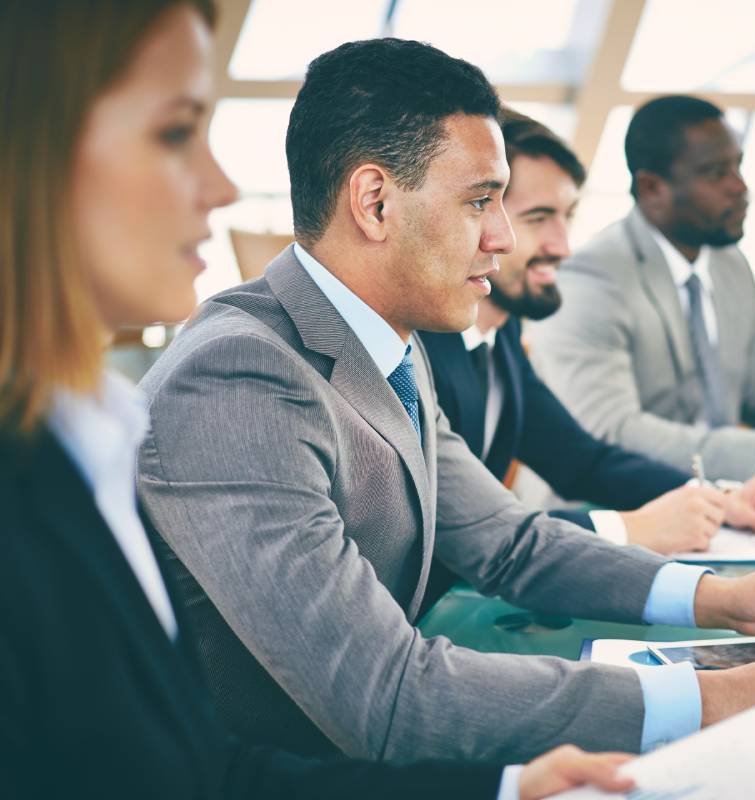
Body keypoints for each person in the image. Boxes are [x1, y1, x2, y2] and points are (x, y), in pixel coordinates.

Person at [133, 39, 755, 769]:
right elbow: (387, 694)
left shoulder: (385, 342)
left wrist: (730, 597)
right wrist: (727, 695)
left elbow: (510, 544)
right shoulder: (240, 376)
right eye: (481, 201)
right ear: (373, 203)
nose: (503, 238)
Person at [0, 2, 637, 798]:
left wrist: (508, 789)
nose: (221, 185)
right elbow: (378, 697)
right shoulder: (229, 376)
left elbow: (195, 768)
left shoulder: (84, 432)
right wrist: (701, 697)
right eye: (173, 133)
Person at [420, 108, 755, 568]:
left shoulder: (497, 339)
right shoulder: (421, 353)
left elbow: (582, 460)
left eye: (567, 216)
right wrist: (631, 529)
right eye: (539, 218)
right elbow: (475, 533)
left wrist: (720, 499)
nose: (563, 245)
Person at [527, 95, 755, 484]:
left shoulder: (731, 263)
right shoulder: (592, 277)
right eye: (714, 173)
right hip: (613, 510)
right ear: (652, 187)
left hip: (726, 507)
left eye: (738, 166)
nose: (739, 187)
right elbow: (612, 431)